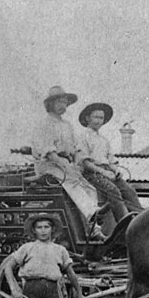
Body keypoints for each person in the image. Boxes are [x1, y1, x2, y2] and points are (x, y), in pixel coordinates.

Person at [30, 86, 105, 240]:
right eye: (59, 101)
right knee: (71, 180)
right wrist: (66, 167)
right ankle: (91, 212)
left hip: (64, 164)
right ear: (50, 104)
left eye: (65, 102)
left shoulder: (67, 125)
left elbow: (74, 149)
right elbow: (48, 152)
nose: (62, 105)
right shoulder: (44, 124)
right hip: (48, 164)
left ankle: (93, 228)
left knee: (88, 187)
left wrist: (76, 165)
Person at [76, 102, 144, 229]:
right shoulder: (82, 137)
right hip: (92, 172)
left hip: (106, 171)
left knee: (129, 191)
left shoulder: (104, 140)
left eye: (101, 118)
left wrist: (115, 169)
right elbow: (85, 162)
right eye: (95, 117)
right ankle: (125, 225)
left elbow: (110, 159)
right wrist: (104, 172)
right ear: (87, 118)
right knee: (113, 191)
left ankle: (142, 221)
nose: (98, 121)